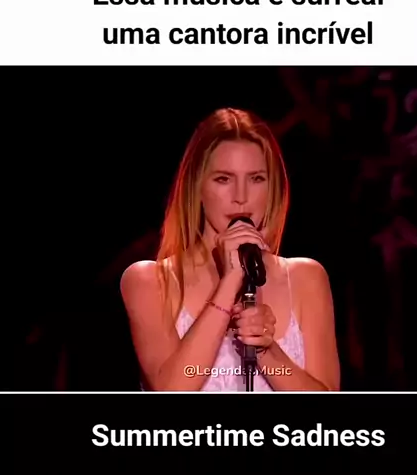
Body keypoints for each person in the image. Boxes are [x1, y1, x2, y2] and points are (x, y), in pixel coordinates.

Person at [120, 108, 340, 391]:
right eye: (223, 179)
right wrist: (229, 283)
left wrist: (266, 350)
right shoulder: (149, 281)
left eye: (256, 178)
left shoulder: (305, 278)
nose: (241, 197)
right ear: (197, 186)